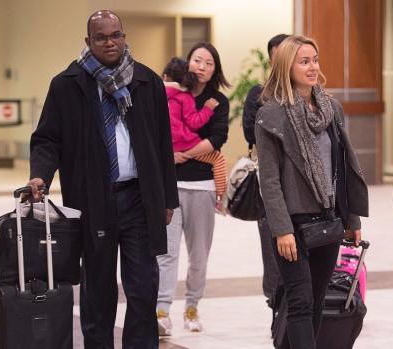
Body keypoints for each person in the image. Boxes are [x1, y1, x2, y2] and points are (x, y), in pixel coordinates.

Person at [26, 10, 178, 348]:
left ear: (124, 36)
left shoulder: (145, 81)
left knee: (142, 285)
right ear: (88, 42)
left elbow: (162, 143)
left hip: (139, 198)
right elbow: (48, 139)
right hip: (94, 200)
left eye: (115, 35)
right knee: (97, 288)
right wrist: (40, 175)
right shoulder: (67, 85)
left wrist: (168, 198)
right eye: (101, 37)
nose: (110, 42)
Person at [255, 35, 369, 349]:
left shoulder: (332, 109)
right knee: (300, 301)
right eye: (304, 61)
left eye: (315, 60)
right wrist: (281, 230)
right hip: (291, 225)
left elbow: (343, 168)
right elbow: (270, 181)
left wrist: (352, 219)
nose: (313, 67)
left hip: (329, 220)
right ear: (285, 66)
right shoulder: (271, 115)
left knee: (317, 301)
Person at [156, 42, 230, 335]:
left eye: (208, 62)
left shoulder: (218, 102)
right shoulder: (169, 94)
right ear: (187, 63)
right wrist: (168, 154)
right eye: (197, 60)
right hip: (170, 187)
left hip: (202, 186)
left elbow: (218, 137)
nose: (201, 66)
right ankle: (162, 311)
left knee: (198, 255)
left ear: (215, 70)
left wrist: (184, 154)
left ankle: (192, 308)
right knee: (166, 253)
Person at [242, 33, 289, 307]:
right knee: (273, 250)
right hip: (270, 182)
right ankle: (275, 309)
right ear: (272, 62)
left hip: (307, 189)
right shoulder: (258, 96)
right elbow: (251, 132)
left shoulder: (311, 96)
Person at [162, 57, 227, 214]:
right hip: (185, 142)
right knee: (218, 159)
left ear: (165, 77)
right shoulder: (185, 96)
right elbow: (194, 122)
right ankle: (220, 198)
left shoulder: (157, 93)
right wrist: (207, 109)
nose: (202, 67)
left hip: (166, 145)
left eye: (208, 63)